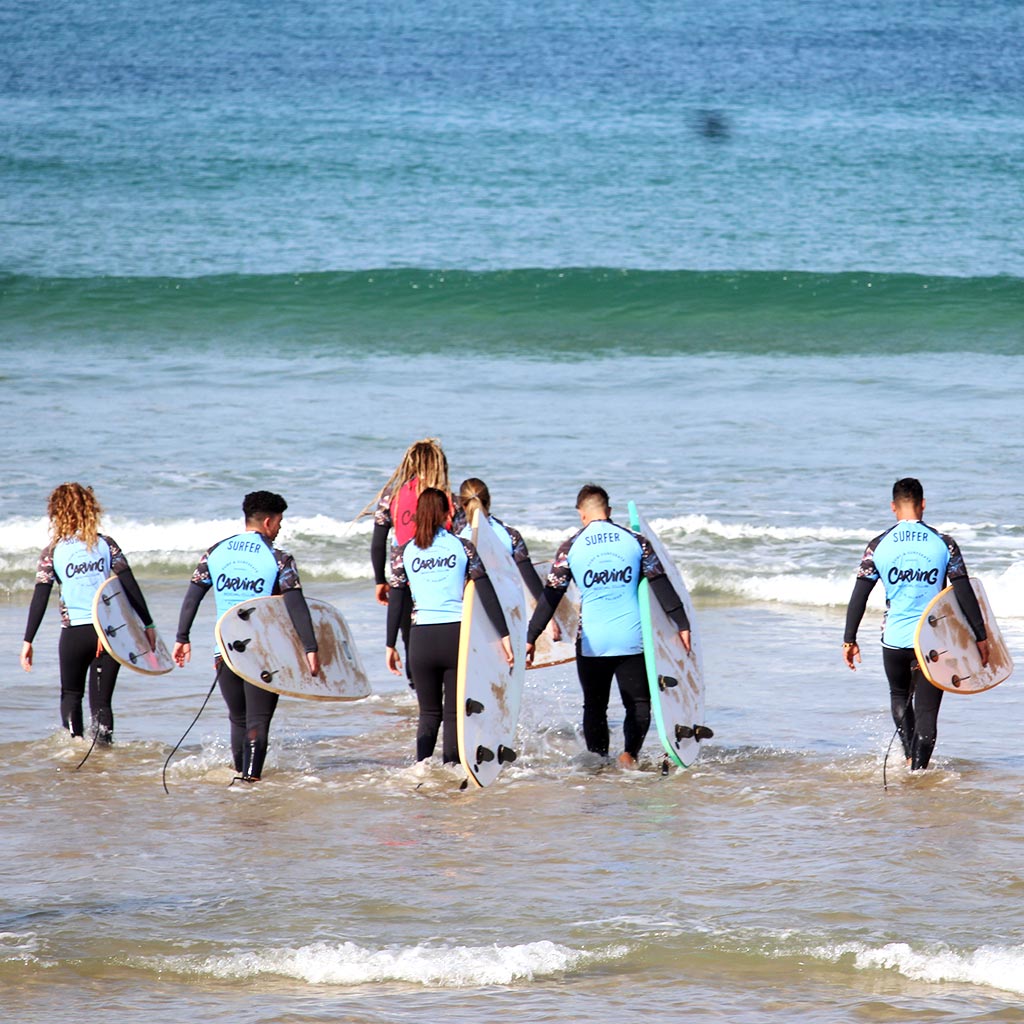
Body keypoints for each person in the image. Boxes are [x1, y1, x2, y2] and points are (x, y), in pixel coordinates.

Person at [525, 484, 692, 768]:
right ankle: (629, 756)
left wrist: (531, 635)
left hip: (592, 641)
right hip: (632, 638)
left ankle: (599, 762)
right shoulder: (635, 540)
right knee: (638, 704)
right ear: (609, 510)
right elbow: (660, 583)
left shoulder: (570, 546)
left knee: (594, 706)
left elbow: (552, 593)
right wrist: (682, 624)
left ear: (581, 514)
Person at [172, 490, 320, 782]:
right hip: (265, 654)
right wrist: (311, 647)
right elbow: (295, 606)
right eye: (279, 522)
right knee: (258, 720)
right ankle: (251, 782)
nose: (279, 529)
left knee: (238, 719)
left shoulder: (215, 552)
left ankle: (240, 778)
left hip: (224, 650)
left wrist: (182, 637)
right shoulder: (278, 558)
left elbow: (192, 598)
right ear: (268, 521)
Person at [843, 477, 989, 770]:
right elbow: (963, 592)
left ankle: (909, 756)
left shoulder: (878, 546)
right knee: (927, 715)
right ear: (923, 504)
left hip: (894, 640)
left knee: (899, 697)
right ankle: (918, 772)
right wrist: (981, 636)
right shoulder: (943, 543)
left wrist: (850, 638)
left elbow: (859, 595)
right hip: (933, 645)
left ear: (893, 507)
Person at [20, 482, 156, 743]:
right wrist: (148, 625)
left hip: (75, 633)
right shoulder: (106, 545)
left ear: (56, 513)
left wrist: (28, 640)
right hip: (108, 633)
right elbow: (130, 586)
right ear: (90, 509)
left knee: (71, 694)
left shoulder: (52, 552)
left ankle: (75, 746)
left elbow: (41, 595)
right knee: (102, 703)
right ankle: (103, 756)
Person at [385, 487, 513, 765]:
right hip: (456, 636)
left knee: (428, 713)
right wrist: (503, 634)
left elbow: (397, 600)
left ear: (418, 515)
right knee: (454, 713)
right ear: (447, 513)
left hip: (421, 639)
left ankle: (421, 771)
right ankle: (453, 769)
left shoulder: (403, 553)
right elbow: (485, 590)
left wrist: (390, 644)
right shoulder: (463, 547)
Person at [457, 477, 547, 601]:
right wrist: (549, 617)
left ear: (462, 504)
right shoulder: (510, 534)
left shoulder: (457, 540)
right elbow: (529, 578)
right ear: (489, 501)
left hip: (473, 608)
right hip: (509, 604)